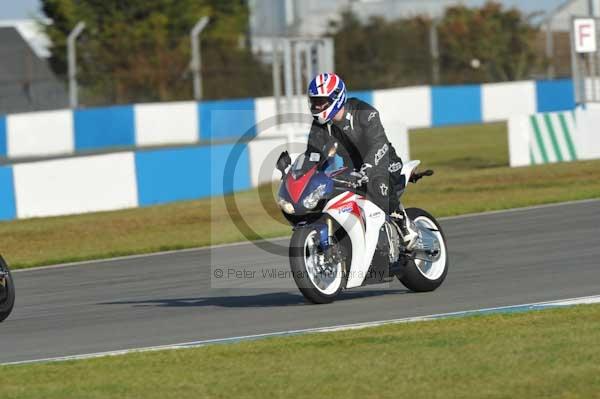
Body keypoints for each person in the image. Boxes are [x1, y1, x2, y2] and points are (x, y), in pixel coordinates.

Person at [304, 72, 418, 248]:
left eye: (321, 101)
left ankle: (403, 224)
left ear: (336, 97)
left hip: (385, 161)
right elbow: (313, 156)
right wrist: (300, 173)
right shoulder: (319, 127)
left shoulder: (363, 112)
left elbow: (378, 144)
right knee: (328, 191)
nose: (317, 106)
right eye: (314, 101)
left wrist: (368, 168)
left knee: (375, 182)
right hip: (353, 169)